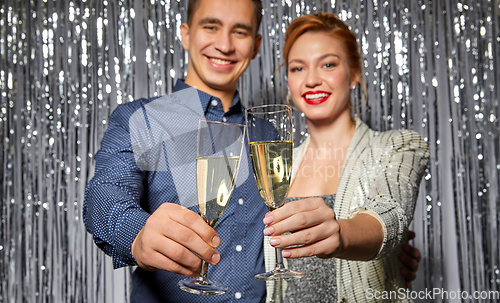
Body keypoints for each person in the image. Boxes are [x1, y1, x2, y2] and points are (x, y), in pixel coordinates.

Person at [83, 1, 421, 302]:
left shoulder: (267, 134)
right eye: (211, 26)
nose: (225, 44)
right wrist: (137, 235)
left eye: (240, 31)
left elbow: (313, 220)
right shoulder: (142, 118)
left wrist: (387, 253)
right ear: (186, 34)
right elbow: (103, 197)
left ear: (256, 45)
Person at [261, 12, 430, 302]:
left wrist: (341, 234)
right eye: (298, 68)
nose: (312, 79)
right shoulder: (276, 164)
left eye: (328, 64)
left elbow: (389, 217)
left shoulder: (398, 146)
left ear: (353, 74)